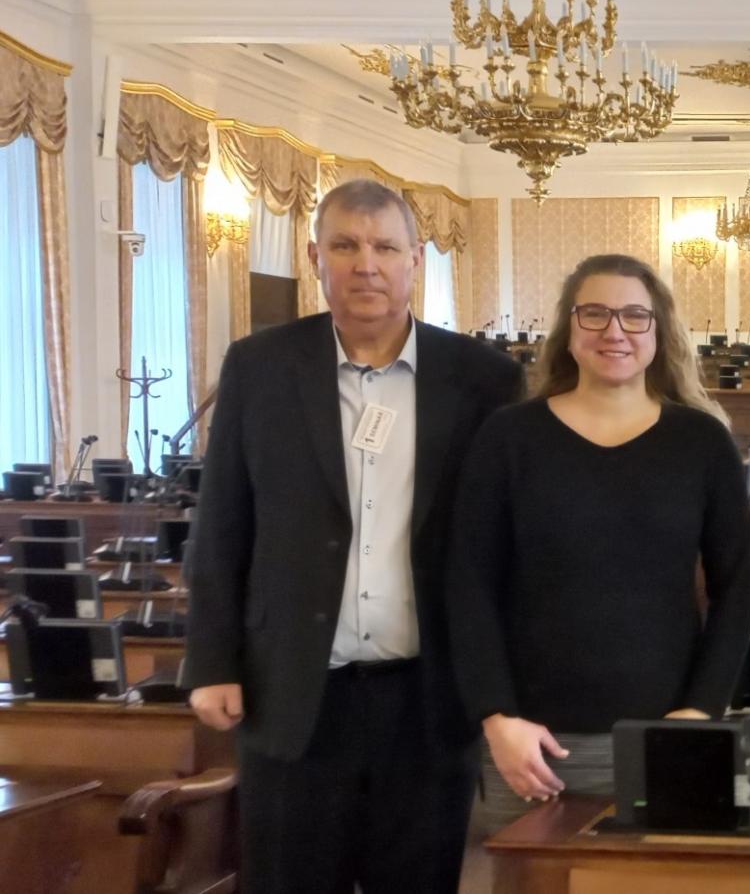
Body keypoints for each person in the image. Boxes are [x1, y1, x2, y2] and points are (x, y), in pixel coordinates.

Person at [183, 179, 523, 894]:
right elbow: (221, 525)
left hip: (427, 697)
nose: (366, 264)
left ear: (415, 260)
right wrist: (211, 660)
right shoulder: (259, 366)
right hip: (292, 692)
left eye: (385, 247)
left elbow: (504, 545)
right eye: (345, 245)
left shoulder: (484, 380)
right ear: (315, 257)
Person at [446, 253, 750, 830]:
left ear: (658, 333)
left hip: (663, 734)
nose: (615, 330)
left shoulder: (701, 442)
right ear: (569, 329)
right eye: (595, 314)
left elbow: (737, 588)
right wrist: (496, 716)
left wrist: (699, 711)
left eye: (634, 316)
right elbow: (468, 586)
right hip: (532, 742)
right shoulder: (509, 437)